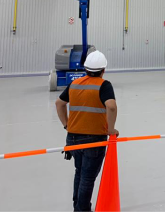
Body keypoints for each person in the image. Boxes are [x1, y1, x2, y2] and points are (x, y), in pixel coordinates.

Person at [55, 51, 118, 212]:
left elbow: (59, 103)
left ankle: (77, 206)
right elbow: (111, 106)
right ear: (103, 69)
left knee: (79, 173)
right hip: (94, 140)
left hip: (73, 139)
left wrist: (66, 125)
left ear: (85, 68)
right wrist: (111, 129)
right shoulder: (104, 85)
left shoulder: (75, 84)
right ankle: (82, 210)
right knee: (88, 178)